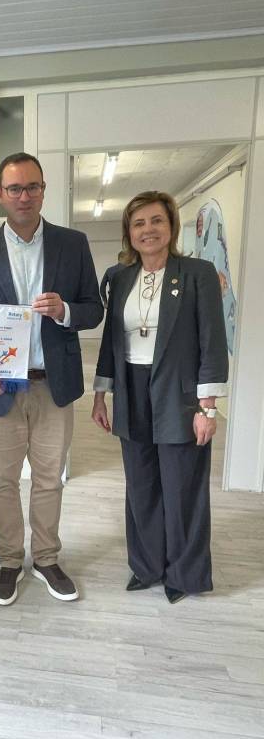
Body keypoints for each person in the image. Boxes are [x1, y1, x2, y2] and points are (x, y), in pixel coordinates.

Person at [0, 152, 103, 606]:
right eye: (15, 188)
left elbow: (94, 309)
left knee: (49, 479)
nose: (24, 196)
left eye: (32, 187)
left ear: (44, 190)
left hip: (53, 385)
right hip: (1, 388)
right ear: (0, 194)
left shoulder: (72, 244)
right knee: (2, 480)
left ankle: (46, 558)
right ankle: (9, 562)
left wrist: (65, 311)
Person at [91, 191, 228, 604]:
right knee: (141, 485)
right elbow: (111, 341)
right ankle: (147, 565)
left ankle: (184, 574)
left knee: (182, 487)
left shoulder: (198, 274)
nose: (148, 230)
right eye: (139, 223)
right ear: (129, 233)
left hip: (179, 394)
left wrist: (208, 408)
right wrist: (101, 395)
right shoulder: (119, 277)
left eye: (156, 221)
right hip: (131, 390)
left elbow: (212, 342)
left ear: (171, 226)